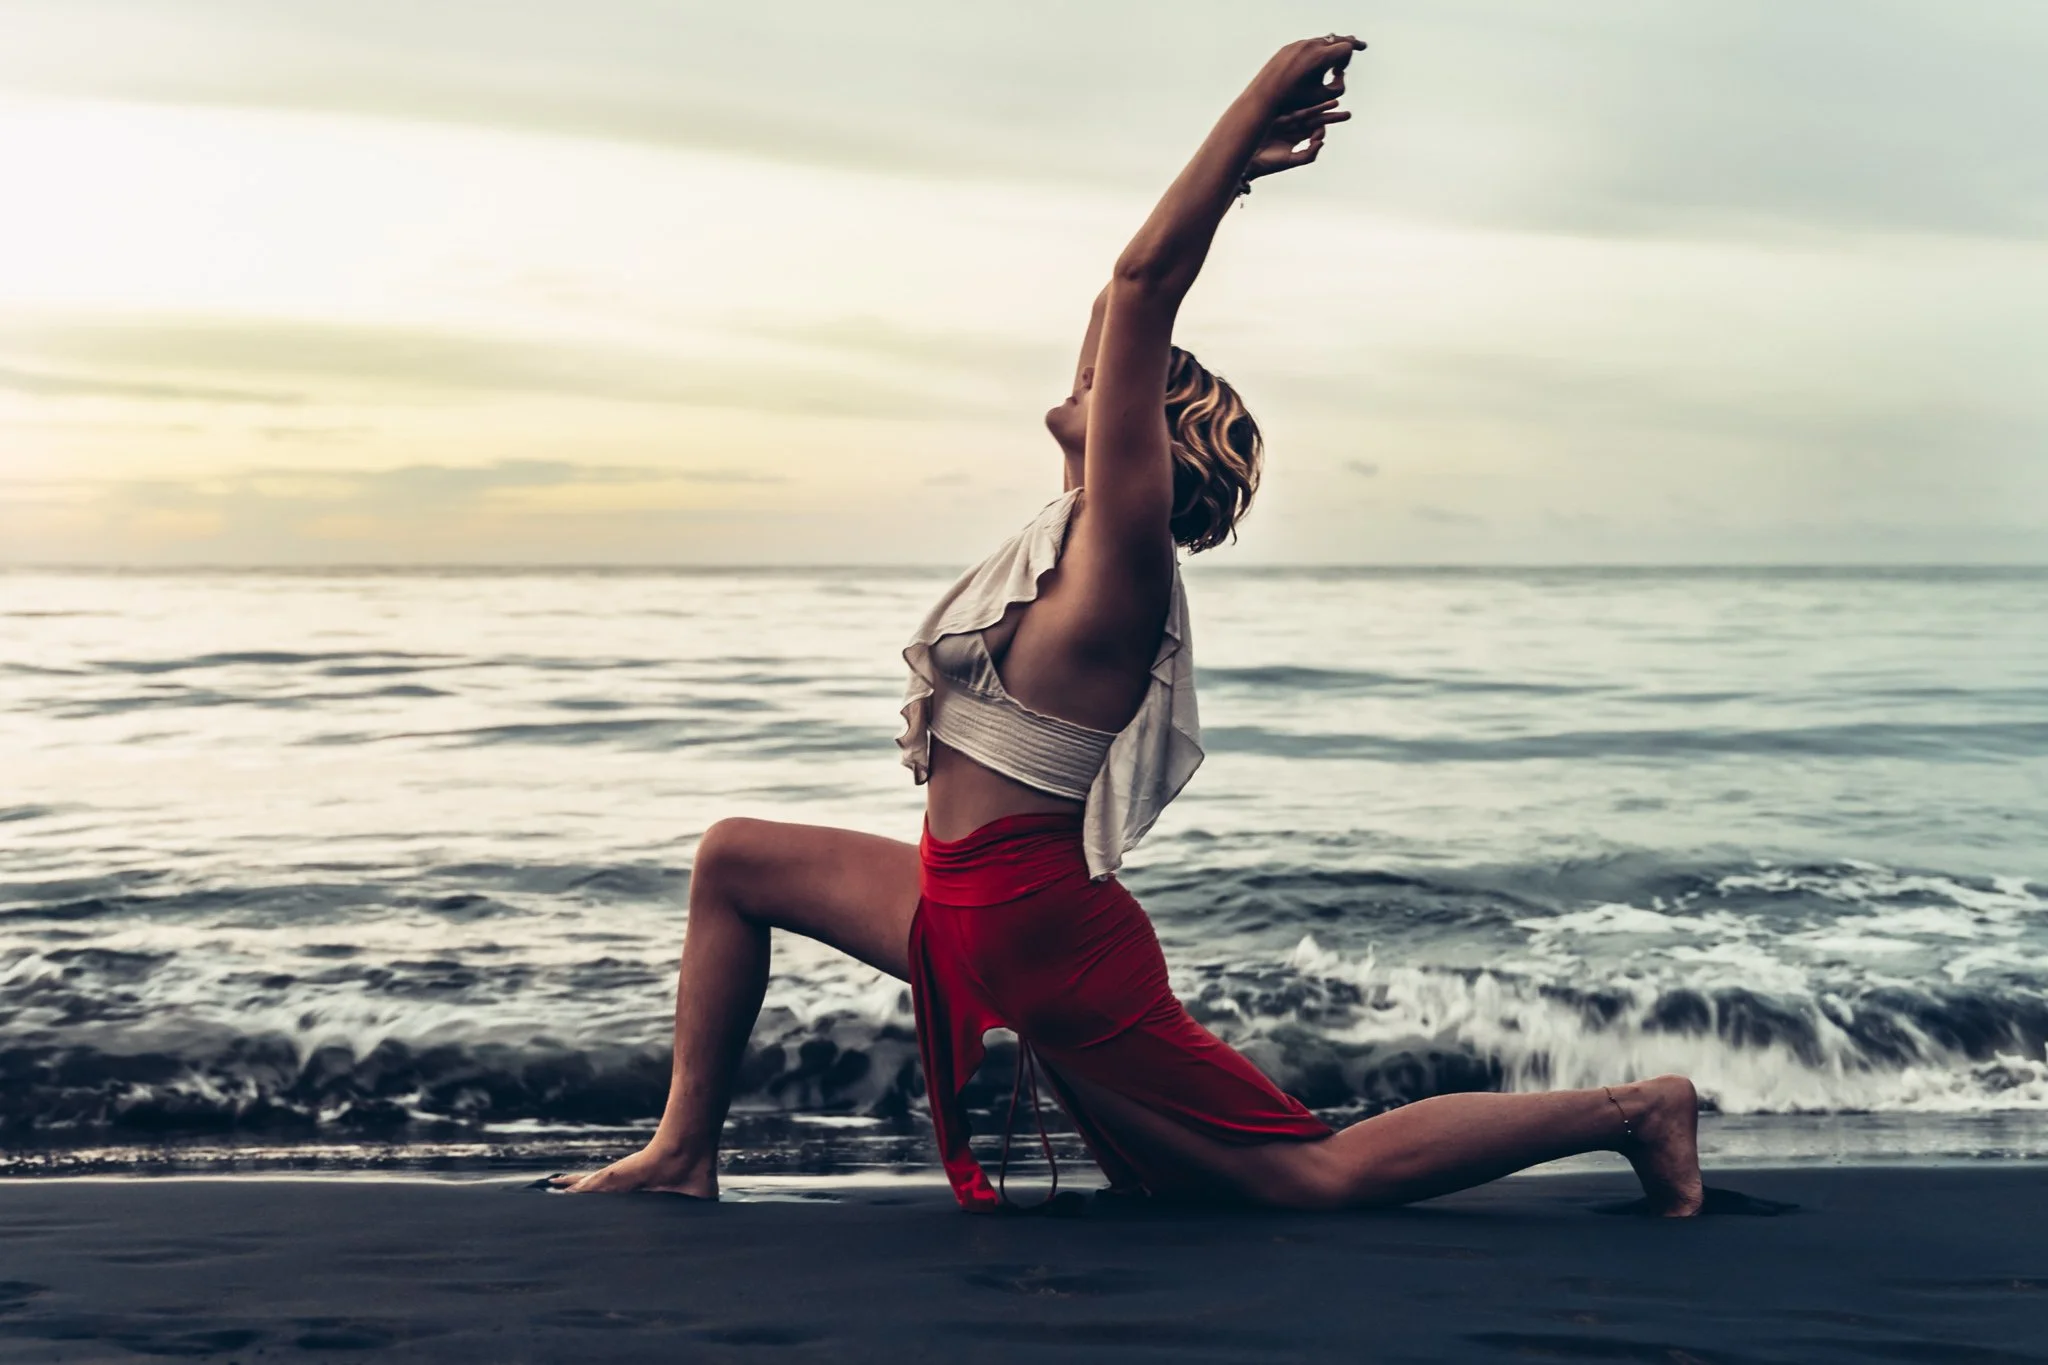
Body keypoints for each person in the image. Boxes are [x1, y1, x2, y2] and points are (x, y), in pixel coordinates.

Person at [552, 34, 1705, 1216]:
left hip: (1042, 934)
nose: (1093, 362)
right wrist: (1239, 173)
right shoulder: (1065, 537)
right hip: (963, 904)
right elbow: (1118, 300)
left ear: (1146, 435)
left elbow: (1144, 284)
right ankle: (684, 1152)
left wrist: (1249, 108)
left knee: (1307, 1176)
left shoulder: (1120, 553)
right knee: (735, 858)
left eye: (1122, 376)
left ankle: (1632, 1110)